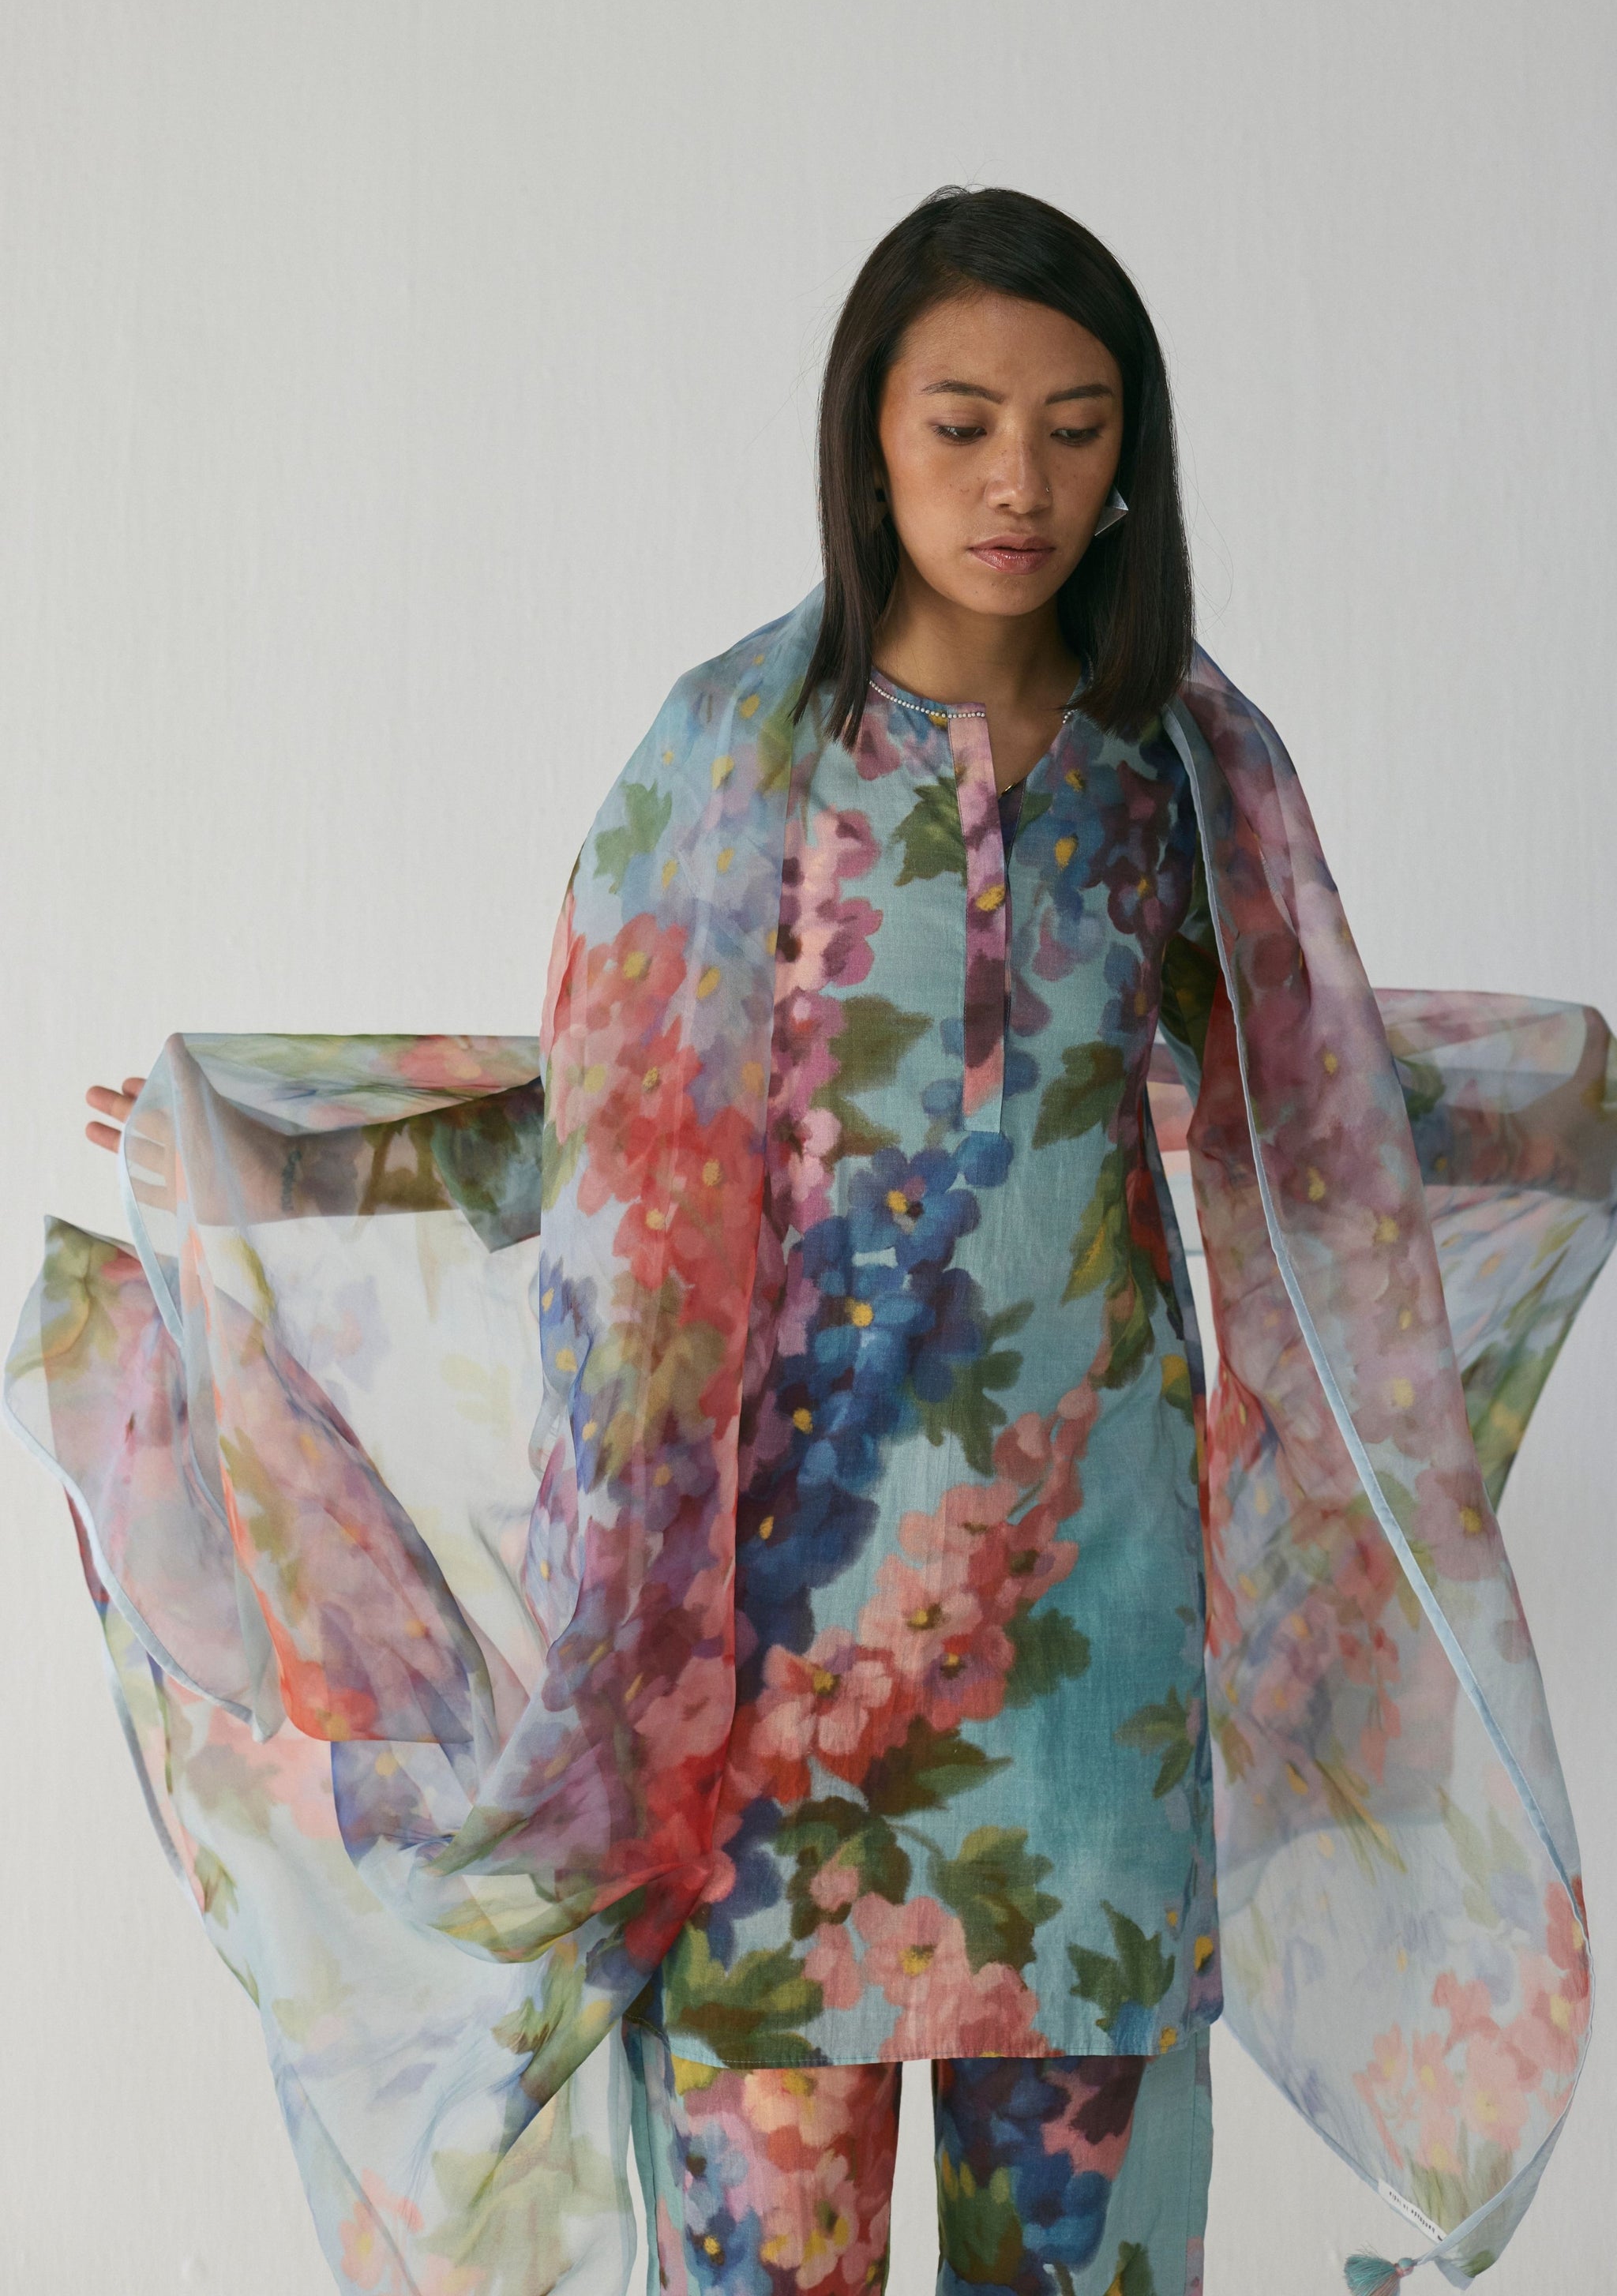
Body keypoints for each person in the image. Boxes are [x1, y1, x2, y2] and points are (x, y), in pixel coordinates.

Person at [21, 189, 1615, 2296]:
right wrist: (295, 1159)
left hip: (1098, 1658)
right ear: (868, 439)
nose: (1017, 482)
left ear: (1130, 457)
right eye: (961, 424)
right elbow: (614, 1130)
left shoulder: (1180, 765)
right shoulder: (733, 756)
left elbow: (1314, 1111)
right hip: (765, 1662)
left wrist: (1569, 1100)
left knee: (1090, 2264)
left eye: (1073, 428)